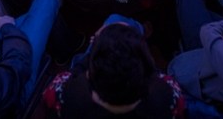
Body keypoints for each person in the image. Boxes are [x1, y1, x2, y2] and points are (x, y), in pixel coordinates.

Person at [44, 16, 185, 119]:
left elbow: (69, 75)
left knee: (113, 19)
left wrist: (94, 50)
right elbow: (155, 73)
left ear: (89, 74)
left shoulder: (62, 95)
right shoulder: (169, 97)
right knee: (115, 19)